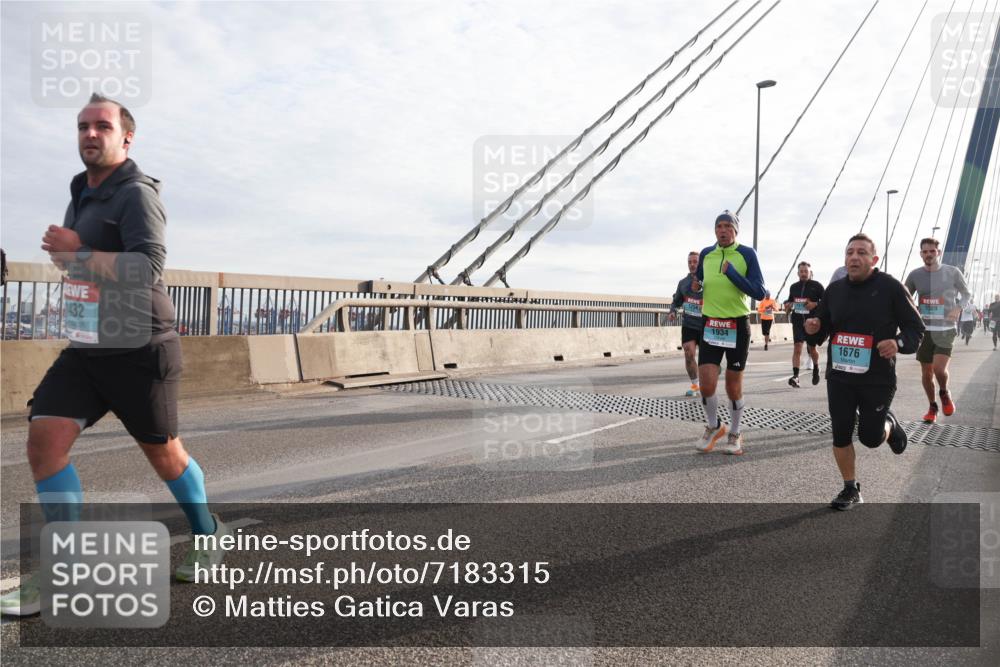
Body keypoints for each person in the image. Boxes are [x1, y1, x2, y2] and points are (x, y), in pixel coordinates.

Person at [0, 94, 229, 617]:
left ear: (126, 137)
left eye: (102, 126)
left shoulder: (137, 195)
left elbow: (147, 268)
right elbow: (81, 268)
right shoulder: (80, 191)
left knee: (165, 455)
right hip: (88, 347)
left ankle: (208, 532)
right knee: (44, 441)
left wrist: (77, 251)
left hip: (140, 348)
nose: (90, 134)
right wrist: (70, 259)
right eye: (83, 126)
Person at [804, 234, 924, 510]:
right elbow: (820, 329)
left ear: (874, 259)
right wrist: (813, 329)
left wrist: (898, 343)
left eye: (861, 252)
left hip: (877, 378)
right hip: (840, 377)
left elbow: (915, 329)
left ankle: (889, 424)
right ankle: (850, 488)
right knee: (841, 433)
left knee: (870, 438)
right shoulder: (834, 291)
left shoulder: (891, 288)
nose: (854, 257)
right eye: (849, 253)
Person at [693, 211, 766, 455]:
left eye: (727, 226)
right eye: (719, 227)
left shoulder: (746, 254)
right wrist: (697, 284)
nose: (722, 230)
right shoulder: (706, 254)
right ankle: (714, 426)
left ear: (736, 230)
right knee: (706, 384)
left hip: (737, 324)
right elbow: (701, 279)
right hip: (711, 323)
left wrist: (732, 273)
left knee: (733, 386)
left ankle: (735, 432)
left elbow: (759, 292)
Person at [903, 238, 971, 423]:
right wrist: (911, 311)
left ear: (938, 253)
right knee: (926, 373)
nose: (929, 254)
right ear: (921, 254)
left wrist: (958, 308)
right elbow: (905, 296)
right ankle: (932, 407)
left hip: (945, 329)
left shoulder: (952, 272)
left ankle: (944, 392)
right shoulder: (915, 275)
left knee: (939, 369)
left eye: (932, 251)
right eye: (925, 252)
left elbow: (966, 294)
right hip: (923, 330)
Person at [783, 261, 824, 387]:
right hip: (797, 322)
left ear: (810, 273)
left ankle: (816, 368)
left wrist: (815, 304)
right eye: (801, 271)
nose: (804, 273)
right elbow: (790, 301)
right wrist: (788, 305)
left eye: (806, 271)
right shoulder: (793, 287)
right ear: (798, 273)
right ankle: (795, 376)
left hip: (811, 323)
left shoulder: (817, 286)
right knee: (797, 348)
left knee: (812, 349)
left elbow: (826, 302)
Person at [671, 251, 704, 396]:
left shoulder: (709, 281)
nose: (692, 264)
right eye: (690, 262)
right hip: (689, 324)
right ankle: (695, 385)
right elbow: (676, 301)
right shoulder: (683, 283)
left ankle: (710, 373)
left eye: (695, 262)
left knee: (706, 359)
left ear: (701, 263)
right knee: (689, 353)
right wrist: (673, 311)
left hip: (706, 325)